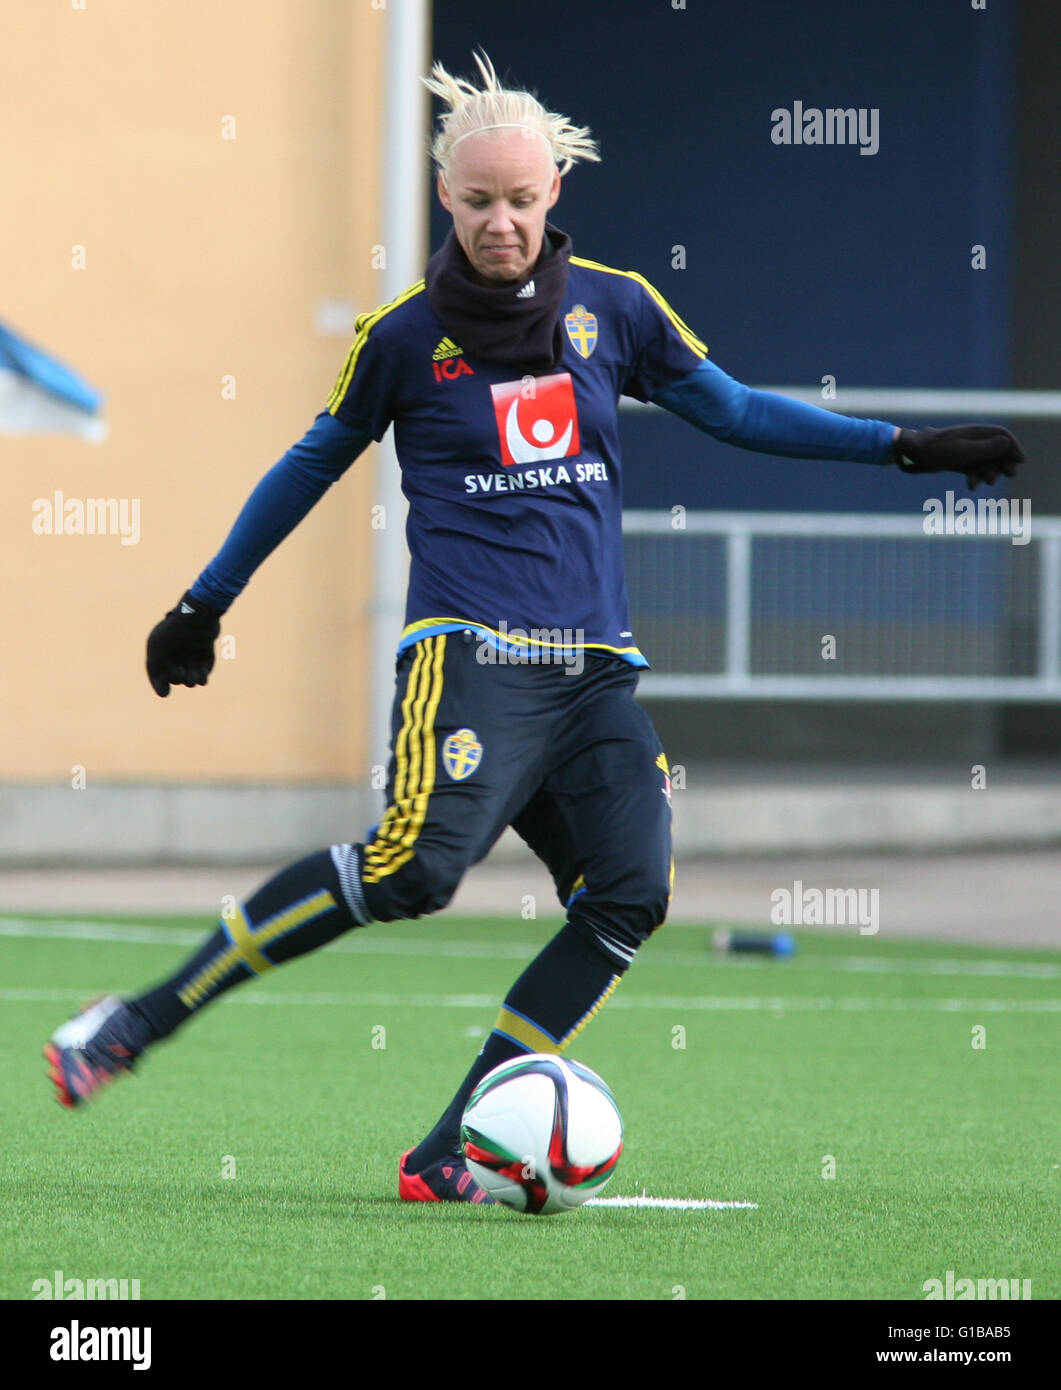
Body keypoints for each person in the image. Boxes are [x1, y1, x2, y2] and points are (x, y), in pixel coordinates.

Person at [44, 52, 1023, 1203]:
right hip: (470, 655)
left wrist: (898, 448)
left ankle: (450, 1144)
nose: (499, 221)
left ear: (553, 188)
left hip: (593, 675)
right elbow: (309, 465)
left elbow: (737, 411)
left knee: (628, 892)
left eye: (519, 198)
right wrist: (203, 603)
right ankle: (129, 1022)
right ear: (443, 195)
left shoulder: (618, 308)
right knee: (413, 868)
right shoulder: (400, 338)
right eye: (475, 200)